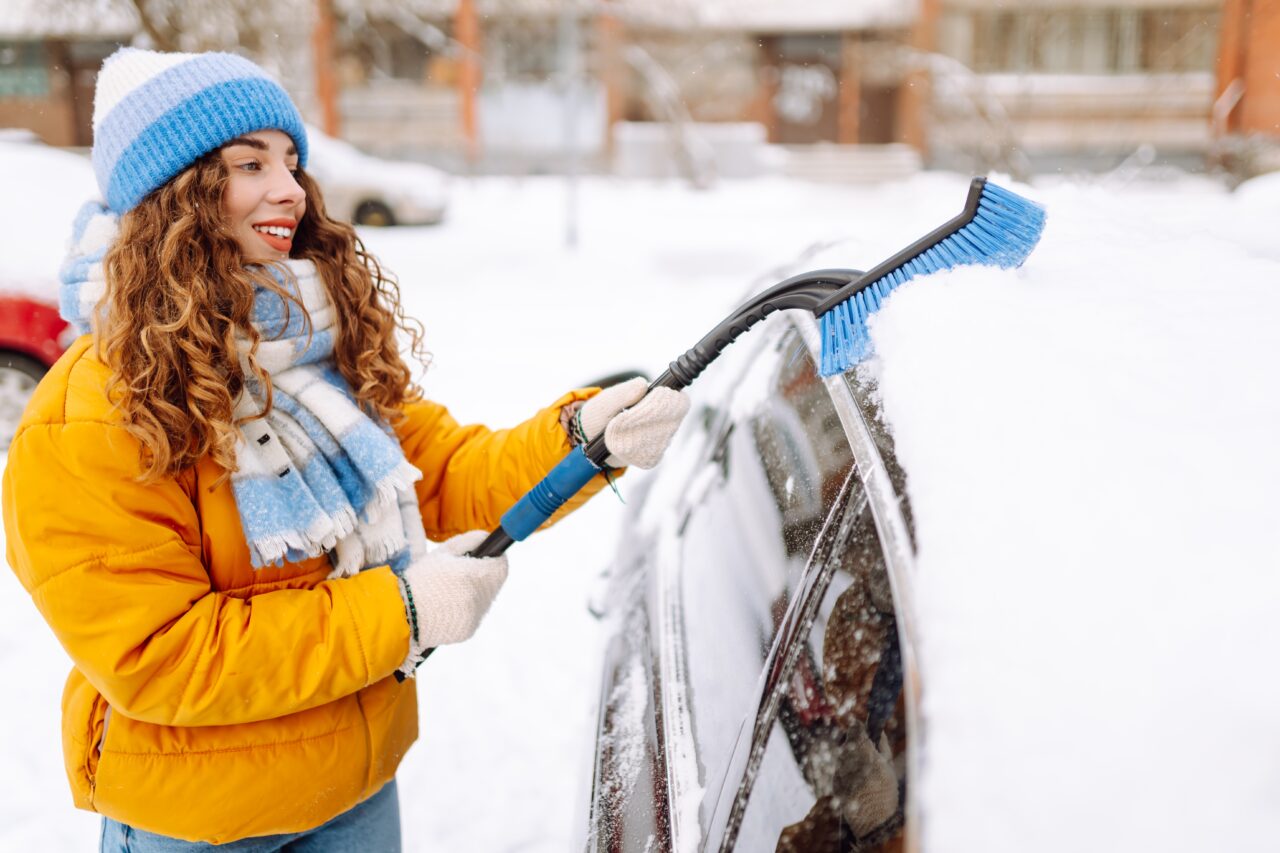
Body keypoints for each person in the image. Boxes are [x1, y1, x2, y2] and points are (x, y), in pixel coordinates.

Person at [2, 48, 689, 851]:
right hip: (198, 825)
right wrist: (396, 611)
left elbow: (447, 474)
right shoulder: (95, 411)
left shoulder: (315, 350)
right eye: (248, 163)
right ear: (174, 196)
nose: (290, 188)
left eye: (290, 160)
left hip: (355, 798)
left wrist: (584, 437)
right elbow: (163, 655)